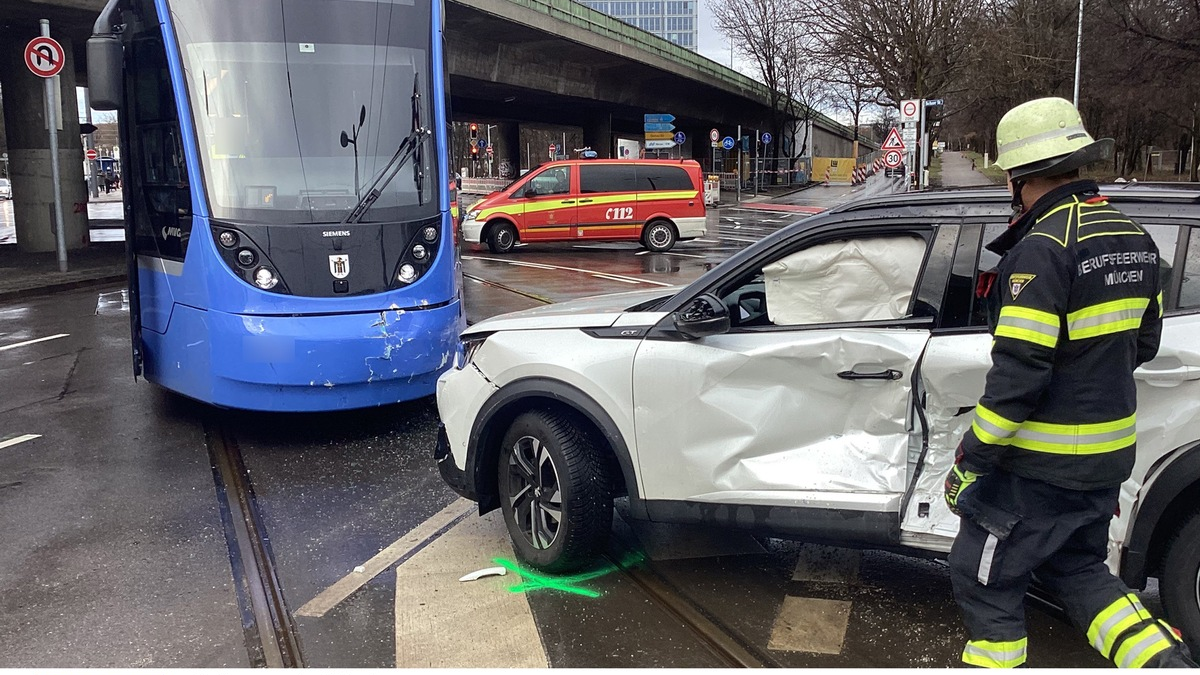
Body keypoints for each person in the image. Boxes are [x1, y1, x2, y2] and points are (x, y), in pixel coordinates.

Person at [943, 97, 1195, 669]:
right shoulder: (1135, 238)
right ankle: (1163, 662)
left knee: (983, 575)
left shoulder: (1044, 248)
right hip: (1107, 459)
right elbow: (1145, 343)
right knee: (1078, 570)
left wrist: (974, 457)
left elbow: (1019, 374)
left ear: (1015, 175)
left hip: (1039, 467)